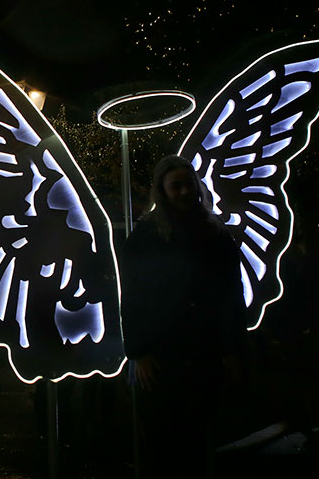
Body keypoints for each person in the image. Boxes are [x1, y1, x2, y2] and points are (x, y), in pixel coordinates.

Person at [120, 155, 247, 479]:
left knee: (199, 440)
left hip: (204, 352)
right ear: (162, 190)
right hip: (164, 356)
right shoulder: (147, 235)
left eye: (188, 184)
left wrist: (233, 350)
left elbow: (232, 293)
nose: (184, 192)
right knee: (163, 444)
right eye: (176, 186)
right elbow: (133, 296)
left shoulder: (215, 233)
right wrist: (140, 352)